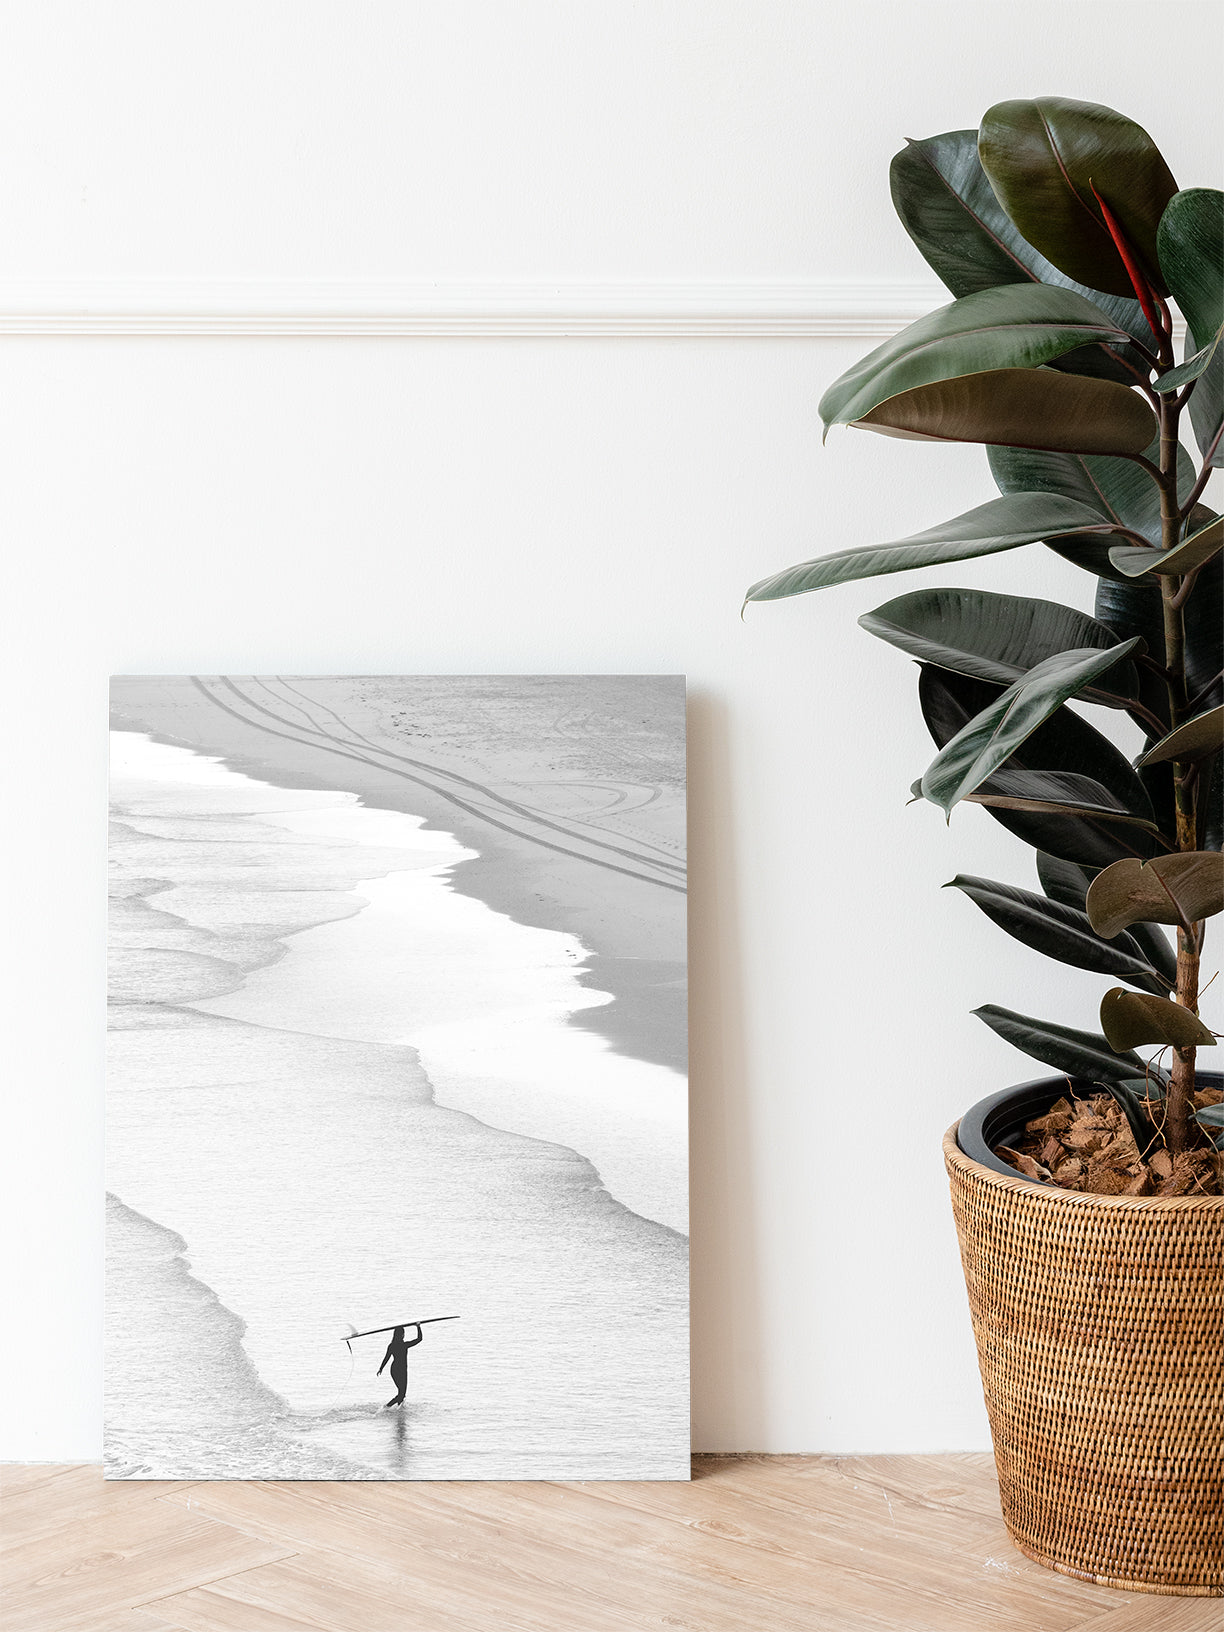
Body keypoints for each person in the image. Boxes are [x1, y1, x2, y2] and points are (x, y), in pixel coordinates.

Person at [377, 1323, 423, 1408]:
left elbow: (386, 1358)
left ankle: (398, 1411)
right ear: (402, 1335)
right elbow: (419, 1339)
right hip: (401, 1370)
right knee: (402, 1393)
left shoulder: (391, 1346)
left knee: (401, 1393)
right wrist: (418, 1327)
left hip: (394, 1370)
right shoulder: (404, 1345)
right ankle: (387, 1407)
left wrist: (381, 1368)